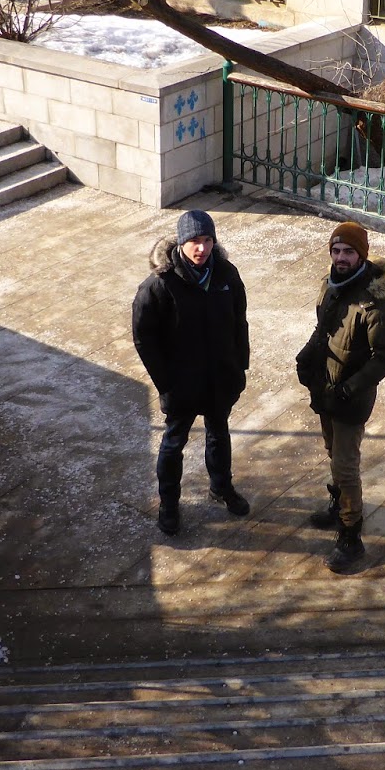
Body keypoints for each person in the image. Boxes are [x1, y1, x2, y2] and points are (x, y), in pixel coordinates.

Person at [132, 209, 252, 535]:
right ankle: (169, 504)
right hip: (182, 384)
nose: (201, 248)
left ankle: (221, 487)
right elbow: (144, 338)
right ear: (181, 243)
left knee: (219, 434)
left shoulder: (226, 274)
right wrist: (166, 382)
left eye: (207, 240)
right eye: (194, 241)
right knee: (173, 445)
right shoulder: (159, 285)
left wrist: (239, 366)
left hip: (219, 378)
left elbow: (239, 323)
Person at [295, 221, 385, 573]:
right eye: (336, 250)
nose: (341, 258)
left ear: (361, 256)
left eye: (348, 252)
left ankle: (351, 536)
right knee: (332, 452)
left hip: (350, 399)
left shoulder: (374, 304)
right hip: (325, 390)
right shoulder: (330, 285)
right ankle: (338, 503)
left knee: (345, 465)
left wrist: (349, 388)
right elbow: (322, 328)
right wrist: (306, 356)